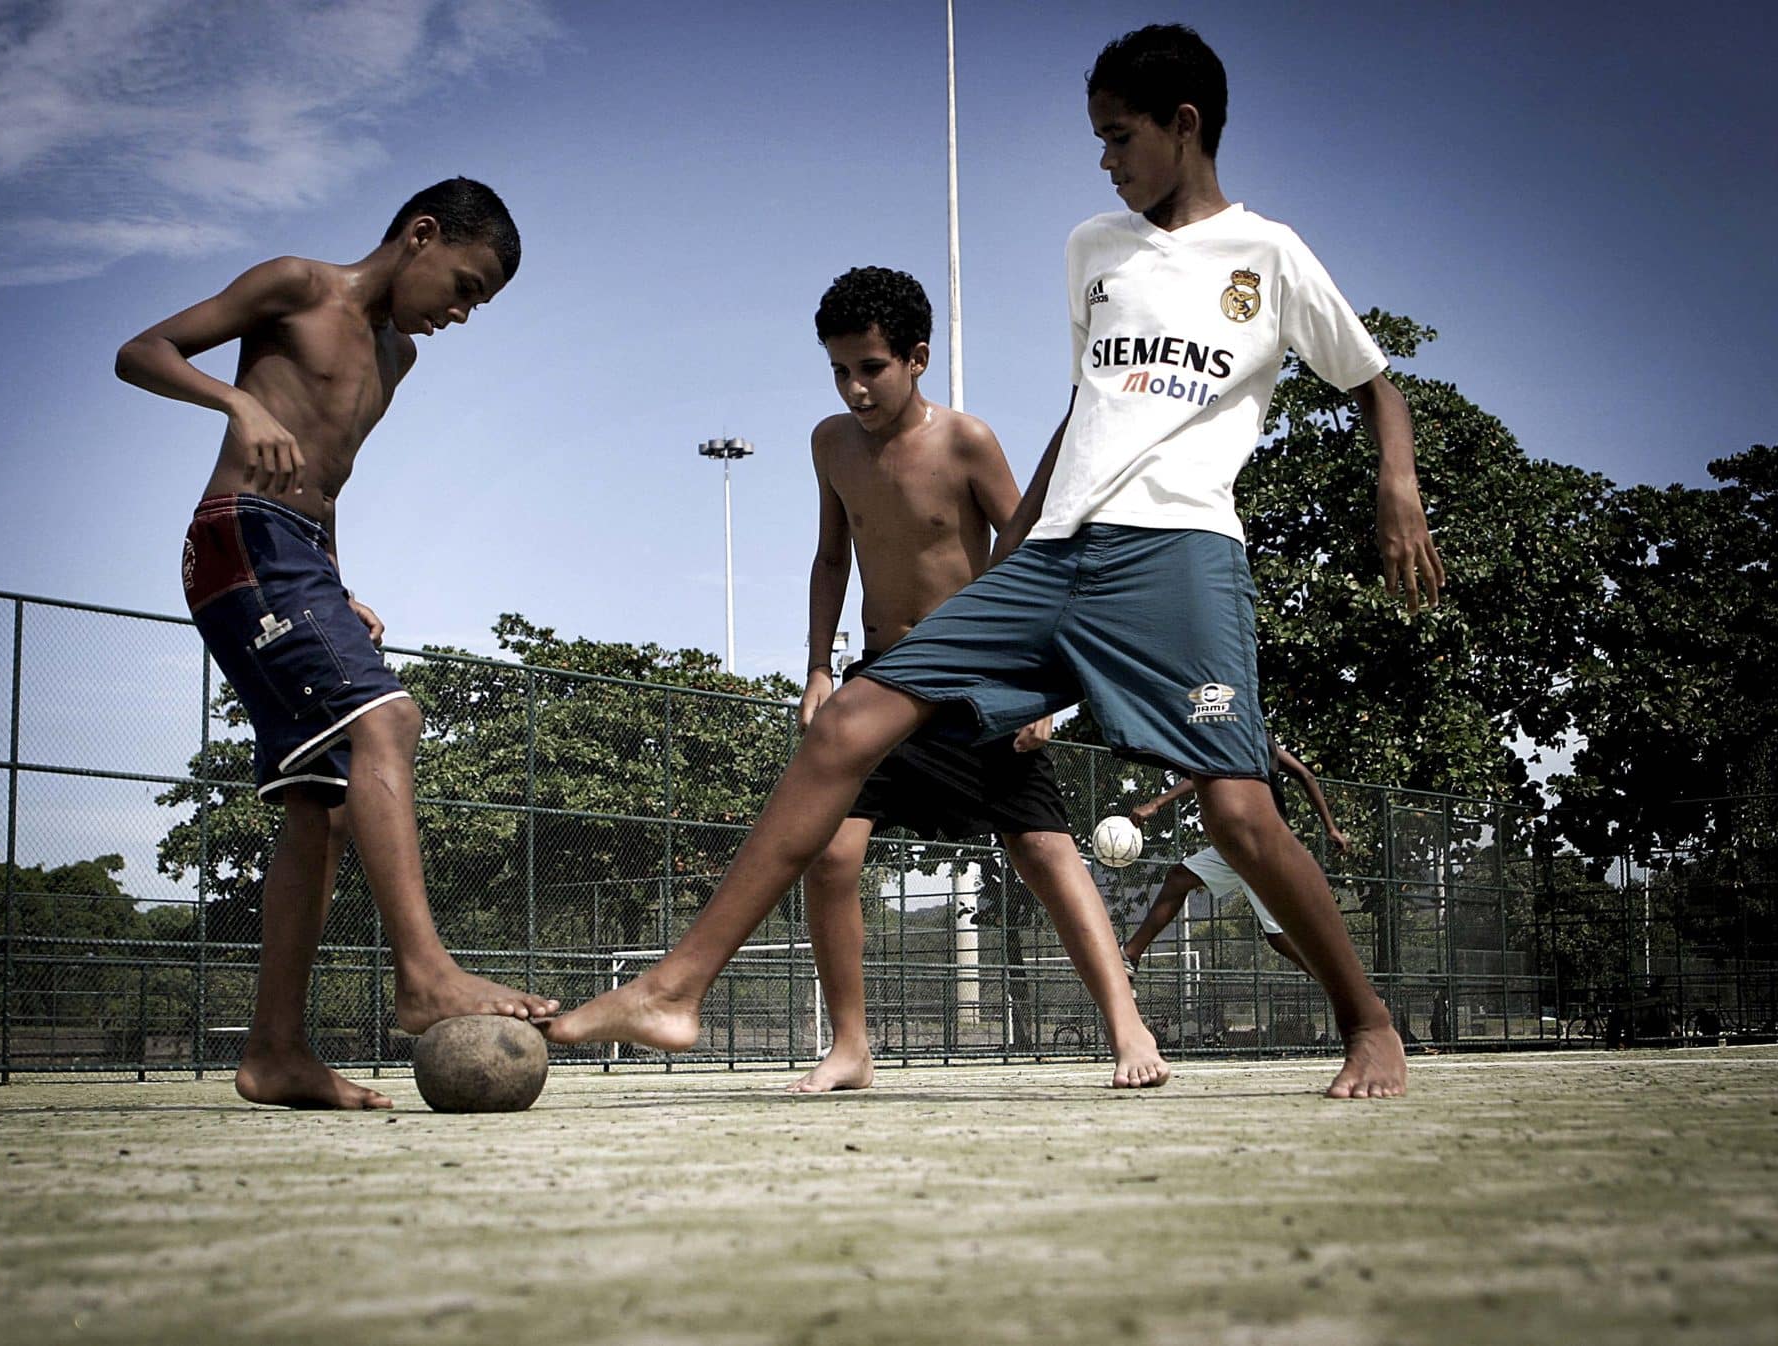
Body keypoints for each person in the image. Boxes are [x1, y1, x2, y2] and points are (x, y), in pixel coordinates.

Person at [549, 25, 1441, 1100]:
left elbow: (1372, 383)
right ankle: (674, 988)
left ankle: (1367, 1021)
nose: (1103, 160)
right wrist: (1015, 554)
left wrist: (1394, 483)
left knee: (1238, 816)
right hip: (1056, 556)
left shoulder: (1270, 256)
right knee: (841, 728)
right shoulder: (1091, 249)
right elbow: (1086, 408)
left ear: (1184, 125)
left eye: (1117, 137)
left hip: (1179, 556)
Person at [116, 177, 557, 1109]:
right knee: (388, 721)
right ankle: (425, 972)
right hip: (241, 532)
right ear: (421, 235)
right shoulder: (296, 286)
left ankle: (274, 1052)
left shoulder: (397, 358)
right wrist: (237, 405)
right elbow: (139, 351)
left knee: (317, 805)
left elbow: (330, 481)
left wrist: (337, 585)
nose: (462, 313)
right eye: (465, 286)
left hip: (299, 553)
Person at [788, 267, 1165, 1093]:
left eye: (871, 368)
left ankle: (1126, 1025)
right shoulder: (830, 444)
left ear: (918, 357)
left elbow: (1034, 554)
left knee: (1044, 851)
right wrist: (819, 667)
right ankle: (851, 1046)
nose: (854, 388)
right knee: (830, 853)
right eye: (839, 370)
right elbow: (829, 559)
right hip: (883, 678)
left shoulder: (967, 442)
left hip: (976, 675)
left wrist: (1035, 689)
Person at [1119, 745, 1350, 976]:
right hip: (1238, 842)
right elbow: (1305, 774)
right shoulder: (1251, 738)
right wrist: (1331, 828)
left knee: (1278, 937)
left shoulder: (1242, 738)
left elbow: (1205, 775)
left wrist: (1157, 803)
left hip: (1261, 844)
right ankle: (1130, 955)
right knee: (1178, 878)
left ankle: (1345, 990)